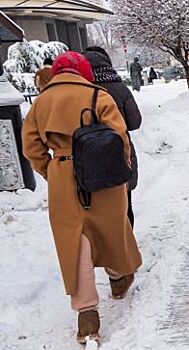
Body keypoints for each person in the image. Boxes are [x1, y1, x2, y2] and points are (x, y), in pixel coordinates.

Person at [21, 51, 142, 344]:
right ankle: (118, 277)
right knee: (110, 229)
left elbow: (31, 147)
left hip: (63, 174)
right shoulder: (99, 96)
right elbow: (120, 136)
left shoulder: (41, 102)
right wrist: (121, 169)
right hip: (103, 173)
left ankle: (87, 316)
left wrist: (53, 171)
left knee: (74, 240)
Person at [83, 46, 143, 228]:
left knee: (95, 207)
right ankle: (126, 245)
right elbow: (135, 122)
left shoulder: (79, 89)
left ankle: (102, 249)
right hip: (119, 151)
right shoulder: (119, 88)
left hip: (87, 154)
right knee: (125, 204)